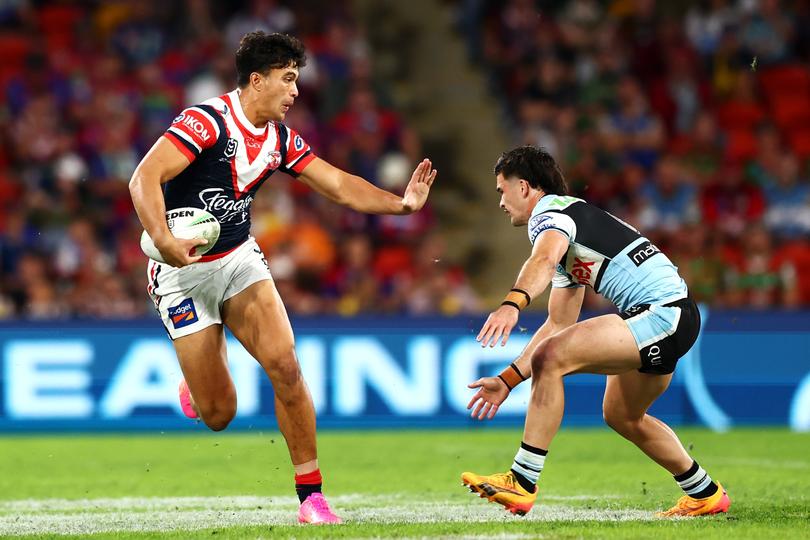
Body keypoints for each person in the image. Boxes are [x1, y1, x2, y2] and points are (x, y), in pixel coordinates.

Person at [128, 32, 436, 525]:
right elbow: (143, 177)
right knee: (219, 414)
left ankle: (311, 499)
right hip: (180, 275)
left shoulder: (279, 140)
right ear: (257, 80)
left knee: (286, 366)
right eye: (288, 79)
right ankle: (196, 377)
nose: (295, 91)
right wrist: (163, 239)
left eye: (297, 80)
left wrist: (400, 204)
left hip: (238, 261)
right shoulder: (206, 121)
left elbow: (337, 183)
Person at [461, 146, 729, 518]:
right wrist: (507, 380)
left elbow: (542, 259)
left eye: (501, 191)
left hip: (660, 314)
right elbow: (558, 324)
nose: (501, 202)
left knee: (550, 358)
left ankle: (521, 482)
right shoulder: (572, 223)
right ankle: (705, 493)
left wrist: (512, 303)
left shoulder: (550, 215)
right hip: (674, 318)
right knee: (622, 415)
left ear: (523, 187)